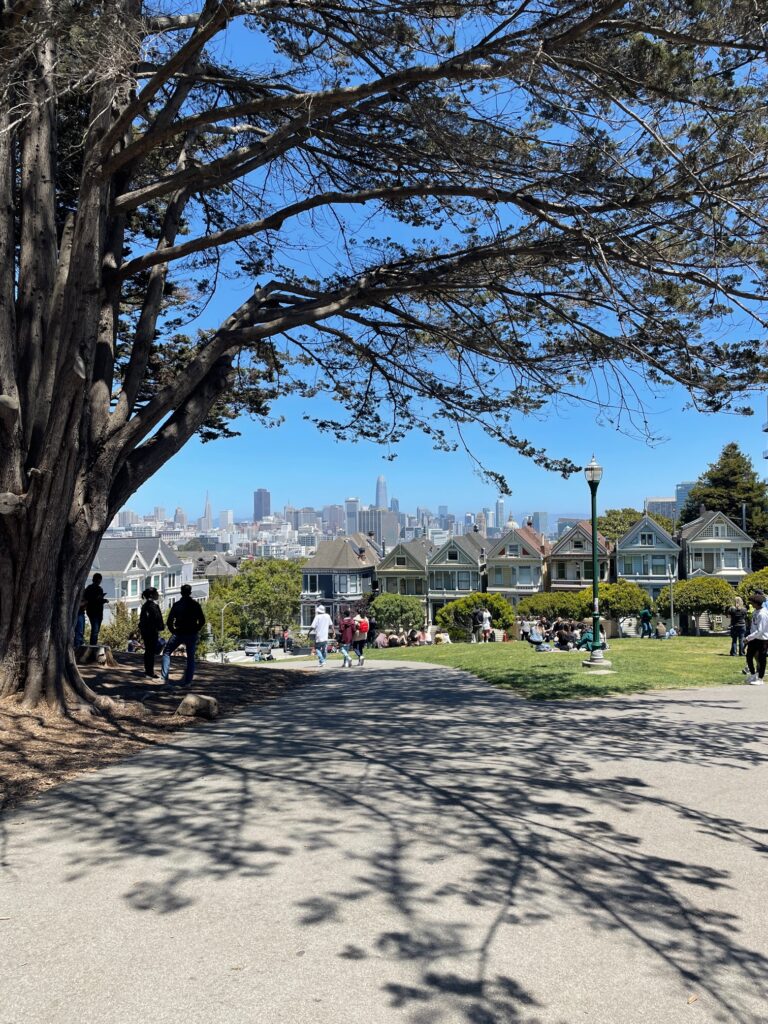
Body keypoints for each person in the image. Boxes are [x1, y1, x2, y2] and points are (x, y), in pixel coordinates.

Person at [161, 584, 206, 686]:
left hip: (179, 632)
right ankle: (188, 681)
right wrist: (196, 629)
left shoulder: (177, 605)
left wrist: (174, 631)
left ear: (181, 593)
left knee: (167, 652)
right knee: (190, 657)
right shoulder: (195, 605)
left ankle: (164, 678)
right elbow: (202, 620)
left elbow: (169, 621)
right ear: (190, 593)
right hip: (191, 633)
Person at [139, 587, 164, 678]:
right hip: (151, 631)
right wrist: (159, 627)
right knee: (150, 651)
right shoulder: (152, 606)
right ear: (152, 595)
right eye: (156, 593)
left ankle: (148, 670)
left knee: (148, 651)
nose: (158, 594)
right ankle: (149, 672)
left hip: (146, 631)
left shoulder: (145, 606)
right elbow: (157, 619)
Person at [744, 590, 768, 685]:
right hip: (754, 638)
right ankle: (753, 675)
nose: (751, 604)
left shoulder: (763, 614)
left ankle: (760, 678)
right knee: (749, 656)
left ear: (756, 603)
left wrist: (748, 638)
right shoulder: (755, 612)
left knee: (762, 659)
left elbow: (760, 630)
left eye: (752, 603)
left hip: (762, 639)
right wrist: (750, 637)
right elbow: (753, 627)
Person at [82, 573, 108, 646]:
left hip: (90, 611)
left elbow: (87, 598)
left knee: (94, 629)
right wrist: (104, 600)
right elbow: (98, 601)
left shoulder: (88, 588)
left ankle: (93, 644)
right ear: (99, 580)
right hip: (97, 612)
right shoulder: (99, 589)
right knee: (95, 630)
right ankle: (93, 645)